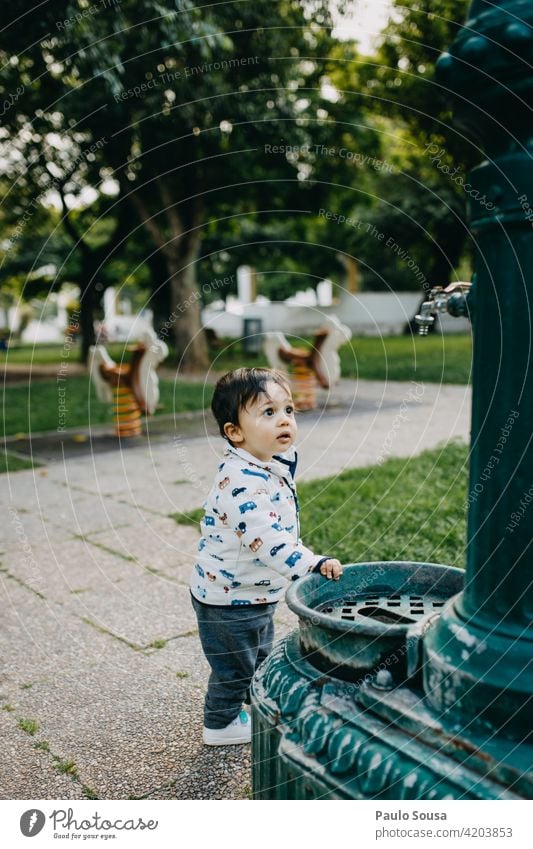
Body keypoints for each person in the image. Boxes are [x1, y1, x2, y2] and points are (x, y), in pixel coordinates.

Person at [190, 367, 343, 746]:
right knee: (234, 667)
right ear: (235, 433)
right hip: (228, 599)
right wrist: (311, 563)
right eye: (268, 413)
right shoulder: (241, 482)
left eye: (288, 410)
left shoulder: (265, 463)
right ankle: (220, 724)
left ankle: (255, 700)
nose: (284, 419)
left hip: (253, 591)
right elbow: (267, 538)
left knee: (259, 654)